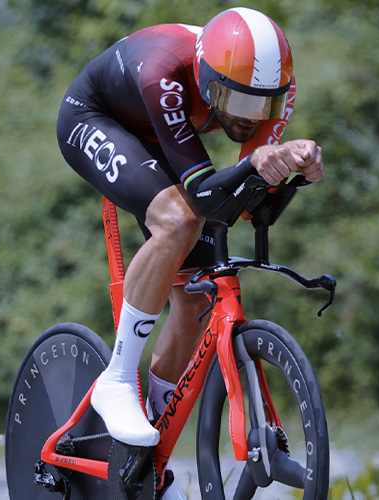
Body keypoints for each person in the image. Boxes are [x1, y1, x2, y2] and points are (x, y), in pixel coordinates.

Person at [57, 6, 324, 452]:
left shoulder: (273, 85)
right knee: (178, 221)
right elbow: (202, 195)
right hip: (97, 117)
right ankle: (117, 379)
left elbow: (243, 205)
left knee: (197, 296)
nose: (252, 118)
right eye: (240, 102)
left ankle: (148, 457)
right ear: (206, 80)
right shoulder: (162, 73)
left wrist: (292, 166)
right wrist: (257, 163)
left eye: (265, 105)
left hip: (163, 132)